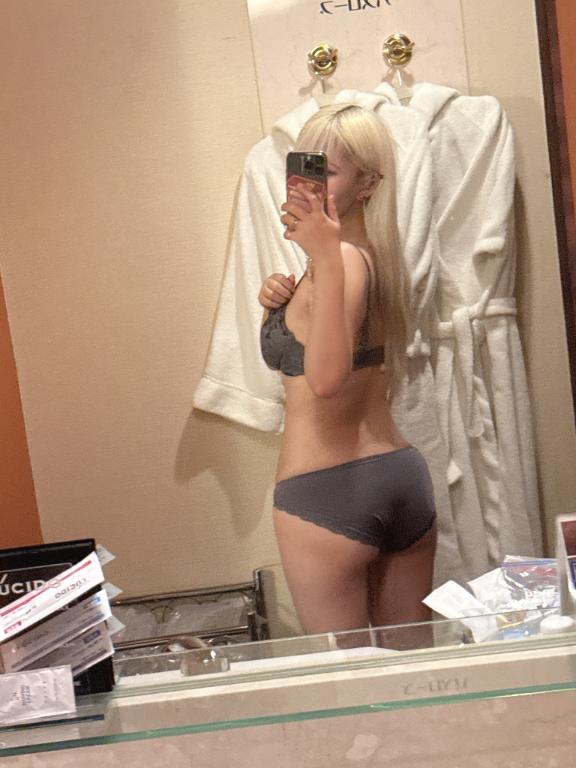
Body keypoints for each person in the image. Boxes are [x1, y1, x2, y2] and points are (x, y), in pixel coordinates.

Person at [258, 104, 436, 638]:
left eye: (327, 172)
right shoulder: (371, 256)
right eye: (302, 168)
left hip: (324, 494)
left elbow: (325, 380)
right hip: (400, 478)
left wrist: (326, 257)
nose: (306, 186)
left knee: (348, 677)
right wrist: (279, 304)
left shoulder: (343, 262)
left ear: (368, 184)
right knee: (415, 670)